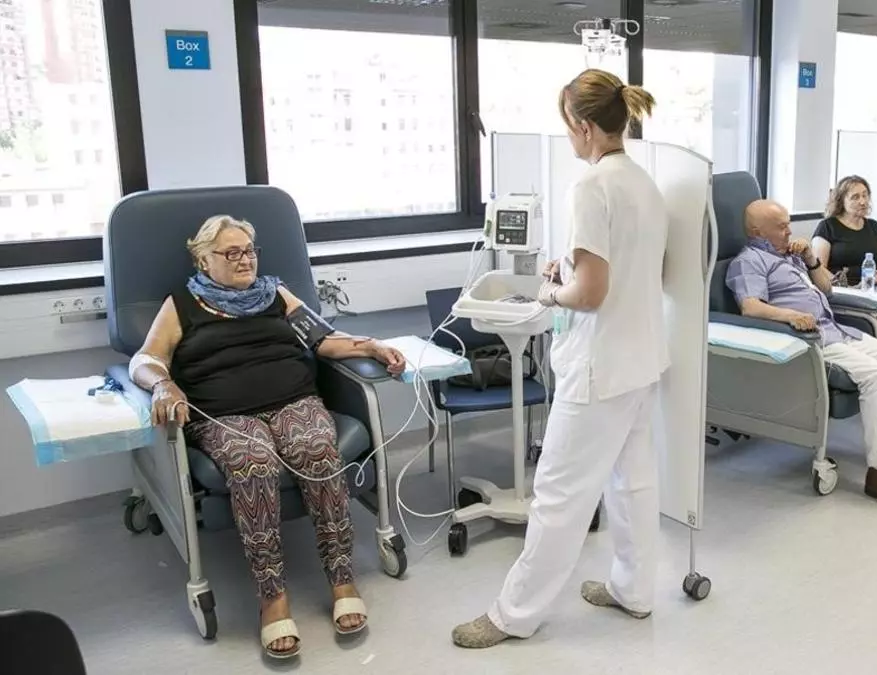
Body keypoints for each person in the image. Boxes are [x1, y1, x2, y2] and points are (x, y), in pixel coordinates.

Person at [452, 69, 669, 649]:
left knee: (556, 495)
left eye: (568, 126)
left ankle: (513, 615)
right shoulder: (643, 183)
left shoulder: (592, 186)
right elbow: (624, 271)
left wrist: (552, 292)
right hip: (642, 358)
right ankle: (634, 590)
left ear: (583, 126)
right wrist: (570, 270)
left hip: (600, 367)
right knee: (633, 483)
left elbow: (591, 294)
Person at [128, 215, 407, 659]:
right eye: (231, 253)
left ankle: (342, 578)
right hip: (224, 415)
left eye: (249, 251)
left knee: (317, 449)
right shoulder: (182, 304)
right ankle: (272, 596)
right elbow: (145, 359)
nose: (245, 260)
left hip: (294, 401)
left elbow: (323, 340)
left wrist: (370, 344)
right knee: (253, 461)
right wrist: (162, 385)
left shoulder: (274, 294)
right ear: (203, 260)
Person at [726, 199, 877, 511]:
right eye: (781, 227)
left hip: (835, 330)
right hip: (809, 341)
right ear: (757, 231)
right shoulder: (749, 261)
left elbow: (827, 290)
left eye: (788, 224)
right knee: (876, 376)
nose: (789, 231)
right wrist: (790, 316)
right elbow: (751, 307)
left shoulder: (791, 255)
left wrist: (811, 260)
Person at [812, 176, 877, 288]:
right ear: (841, 201)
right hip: (837, 289)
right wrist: (843, 285)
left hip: (869, 289)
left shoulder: (874, 226)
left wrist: (870, 281)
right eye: (855, 197)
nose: (863, 202)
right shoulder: (827, 227)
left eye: (865, 195)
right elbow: (818, 268)